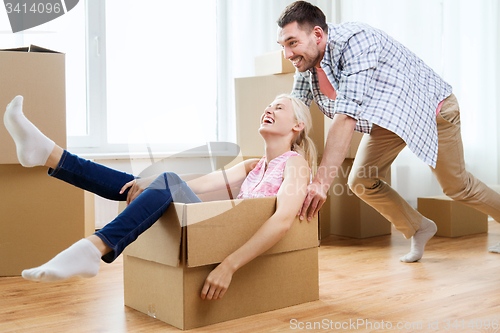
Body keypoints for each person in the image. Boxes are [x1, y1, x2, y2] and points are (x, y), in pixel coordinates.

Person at [3, 93, 317, 300]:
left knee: (163, 182)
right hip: (215, 229)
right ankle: (50, 155)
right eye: (268, 105)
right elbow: (198, 186)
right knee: (149, 183)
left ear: (297, 126)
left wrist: (228, 266)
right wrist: (151, 181)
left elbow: (282, 221)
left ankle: (93, 243)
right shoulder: (252, 165)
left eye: (279, 107)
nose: (268, 109)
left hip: (225, 242)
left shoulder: (296, 164)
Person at [276, 1, 500, 262]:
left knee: (457, 187)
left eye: (292, 43)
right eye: (282, 45)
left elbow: (346, 116)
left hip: (432, 109)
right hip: (391, 118)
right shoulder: (307, 63)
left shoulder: (357, 41)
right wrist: (276, 163)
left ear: (317, 34)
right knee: (361, 181)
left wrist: (321, 183)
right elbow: (297, 111)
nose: (287, 53)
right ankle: (419, 227)